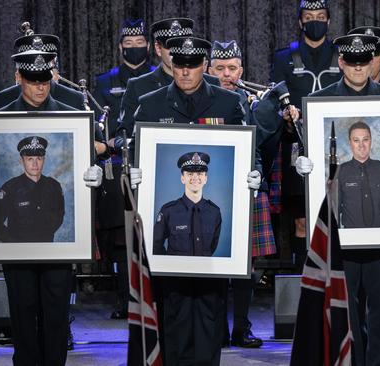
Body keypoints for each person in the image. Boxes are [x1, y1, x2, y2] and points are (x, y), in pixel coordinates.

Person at [296, 32, 380, 365]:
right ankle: (352, 358)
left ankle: (379, 359)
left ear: (373, 62)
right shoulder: (321, 101)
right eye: (351, 62)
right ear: (341, 62)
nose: (358, 68)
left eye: (364, 62)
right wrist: (302, 162)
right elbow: (305, 152)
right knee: (347, 302)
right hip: (343, 237)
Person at [0, 49, 103, 365]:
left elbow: (91, 154)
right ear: (18, 78)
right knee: (23, 310)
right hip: (15, 249)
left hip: (57, 248)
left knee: (56, 312)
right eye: (32, 80)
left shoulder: (73, 114)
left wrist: (94, 169)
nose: (40, 87)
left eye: (44, 80)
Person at [132, 36, 262, 366]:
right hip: (170, 252)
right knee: (172, 316)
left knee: (209, 316)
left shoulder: (227, 102)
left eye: (192, 65)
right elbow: (131, 148)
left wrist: (253, 172)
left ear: (204, 65)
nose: (186, 72)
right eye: (179, 64)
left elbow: (251, 149)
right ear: (170, 63)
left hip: (210, 258)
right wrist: (131, 172)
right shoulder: (150, 103)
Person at [208, 40, 281, 348]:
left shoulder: (252, 103)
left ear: (242, 70)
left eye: (232, 68)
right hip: (211, 188)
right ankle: (216, 329)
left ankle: (241, 327)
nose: (227, 74)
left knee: (247, 267)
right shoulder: (204, 101)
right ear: (210, 70)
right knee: (211, 265)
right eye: (220, 68)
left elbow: (265, 147)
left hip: (249, 187)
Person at [270, 0, 342, 271]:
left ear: (328, 21)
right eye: (309, 16)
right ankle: (304, 281)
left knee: (338, 214)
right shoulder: (283, 58)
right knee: (301, 219)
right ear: (300, 22)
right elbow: (275, 99)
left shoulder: (341, 54)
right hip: (296, 146)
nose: (315, 21)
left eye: (320, 16)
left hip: (337, 144)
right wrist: (285, 115)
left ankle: (335, 277)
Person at [91, 18, 155, 320]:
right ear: (120, 47)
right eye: (128, 45)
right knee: (119, 236)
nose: (134, 49)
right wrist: (112, 145)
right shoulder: (105, 82)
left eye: (139, 44)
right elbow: (101, 128)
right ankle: (122, 296)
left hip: (149, 158)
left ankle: (149, 294)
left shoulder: (158, 79)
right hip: (116, 165)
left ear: (149, 47)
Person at [115, 17, 220, 150]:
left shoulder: (212, 83)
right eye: (171, 46)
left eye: (183, 44)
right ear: (158, 49)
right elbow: (121, 136)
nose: (178, 50)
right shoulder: (139, 86)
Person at [0, 32, 85, 111]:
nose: (39, 61)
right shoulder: (1, 101)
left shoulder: (73, 100)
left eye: (46, 58)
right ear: (18, 75)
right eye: (31, 57)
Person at [0, 136, 64, 242]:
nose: (35, 164)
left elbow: (59, 215)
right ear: (22, 161)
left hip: (46, 248)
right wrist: (12, 243)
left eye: (39, 158)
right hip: (17, 252)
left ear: (44, 160)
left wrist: (45, 234)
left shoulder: (54, 186)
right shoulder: (9, 189)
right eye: (30, 159)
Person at [153, 152, 221, 256]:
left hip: (204, 270)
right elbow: (155, 245)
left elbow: (211, 247)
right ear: (182, 178)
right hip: (175, 270)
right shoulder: (168, 211)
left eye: (199, 174)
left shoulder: (214, 212)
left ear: (205, 179)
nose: (195, 178)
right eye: (189, 174)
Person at [338, 121, 380, 229]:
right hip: (350, 239)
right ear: (350, 143)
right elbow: (333, 211)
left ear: (371, 141)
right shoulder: (340, 172)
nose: (361, 145)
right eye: (356, 140)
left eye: (365, 140)